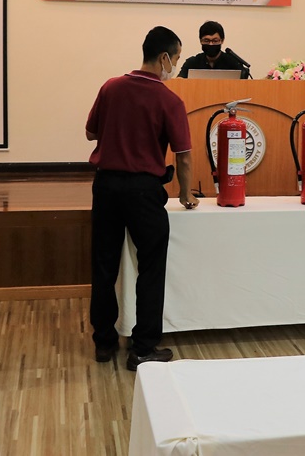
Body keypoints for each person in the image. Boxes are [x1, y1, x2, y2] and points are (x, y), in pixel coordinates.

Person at [86, 25, 198, 371]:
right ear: (164, 57)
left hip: (106, 186)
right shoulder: (169, 100)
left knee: (103, 265)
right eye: (176, 58)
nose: (175, 65)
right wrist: (186, 193)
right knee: (150, 268)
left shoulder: (111, 87)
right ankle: (144, 347)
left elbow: (90, 132)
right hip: (143, 192)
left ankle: (104, 342)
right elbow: (183, 156)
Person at [177, 20, 250, 78]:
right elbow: (179, 81)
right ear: (200, 41)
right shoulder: (192, 63)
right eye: (206, 41)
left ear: (222, 40)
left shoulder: (233, 63)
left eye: (215, 41)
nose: (211, 44)